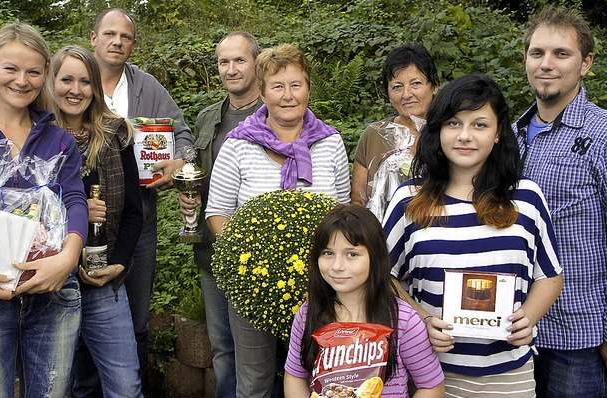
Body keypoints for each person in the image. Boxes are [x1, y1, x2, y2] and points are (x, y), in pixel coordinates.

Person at [383, 74, 563, 397]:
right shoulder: (408, 200)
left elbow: (550, 276)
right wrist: (422, 319)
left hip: (510, 376)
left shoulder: (526, 199)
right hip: (430, 376)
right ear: (437, 129)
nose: (465, 136)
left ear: (497, 134)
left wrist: (530, 316)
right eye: (453, 123)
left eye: (480, 125)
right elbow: (382, 276)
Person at [205, 43, 351, 397]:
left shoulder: (330, 143)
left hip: (324, 287)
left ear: (308, 89)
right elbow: (217, 213)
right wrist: (254, 261)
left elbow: (345, 212)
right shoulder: (238, 144)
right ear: (262, 91)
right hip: (254, 289)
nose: (288, 96)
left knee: (320, 378)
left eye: (296, 85)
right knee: (254, 383)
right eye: (278, 86)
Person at [0, 22, 88, 396]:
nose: (22, 80)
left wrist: (68, 259)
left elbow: (75, 201)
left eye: (33, 71)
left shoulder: (59, 139)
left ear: (45, 74)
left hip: (53, 294)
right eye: (11, 69)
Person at [91, 8, 193, 382]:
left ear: (133, 45)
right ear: (94, 38)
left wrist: (178, 161)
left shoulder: (146, 86)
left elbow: (182, 133)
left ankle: (135, 385)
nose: (117, 42)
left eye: (125, 37)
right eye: (110, 34)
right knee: (77, 312)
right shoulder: (71, 80)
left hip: (140, 219)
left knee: (136, 314)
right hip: (81, 221)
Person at [512, 6, 607, 397]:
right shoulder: (507, 135)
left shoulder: (601, 135)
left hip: (580, 335)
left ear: (585, 64)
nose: (546, 64)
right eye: (537, 53)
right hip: (515, 330)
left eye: (561, 54)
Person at [51, 44, 144, 397]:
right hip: (51, 286)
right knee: (62, 385)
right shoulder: (35, 136)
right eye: (66, 80)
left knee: (125, 384)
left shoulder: (115, 134)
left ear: (96, 88)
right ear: (51, 81)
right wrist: (74, 214)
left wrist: (118, 263)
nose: (76, 90)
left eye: (85, 81)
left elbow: (135, 211)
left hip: (101, 283)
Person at [284, 204, 445, 397]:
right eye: (328, 253)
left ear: (375, 256)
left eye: (352, 254)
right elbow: (295, 375)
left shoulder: (404, 320)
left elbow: (431, 386)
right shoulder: (308, 313)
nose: (337, 266)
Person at [179, 31, 262, 397]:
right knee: (223, 348)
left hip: (263, 257)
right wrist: (188, 198)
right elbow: (198, 180)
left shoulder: (278, 111)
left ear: (257, 63)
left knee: (265, 352)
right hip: (213, 253)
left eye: (239, 60)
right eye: (223, 62)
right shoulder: (208, 119)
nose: (231, 69)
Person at [351, 44, 439, 220]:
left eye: (416, 84)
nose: (407, 94)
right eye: (397, 87)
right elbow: (358, 202)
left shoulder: (451, 132)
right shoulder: (374, 135)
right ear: (389, 94)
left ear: (434, 86)